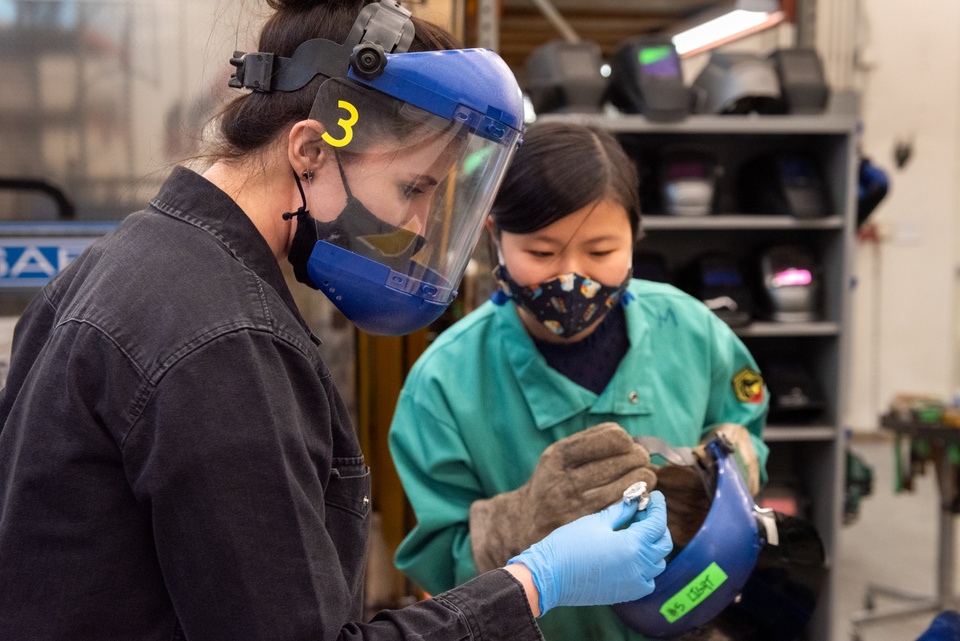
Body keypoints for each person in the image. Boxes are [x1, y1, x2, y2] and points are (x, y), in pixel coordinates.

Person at [0, 2, 673, 639]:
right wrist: (534, 581)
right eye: (414, 188)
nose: (415, 228)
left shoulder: (116, 264)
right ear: (312, 150)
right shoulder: (225, 340)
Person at [389, 120, 771, 641]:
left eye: (601, 252)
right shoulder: (443, 383)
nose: (572, 278)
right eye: (542, 254)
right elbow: (437, 563)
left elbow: (744, 422)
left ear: (634, 238)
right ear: (494, 236)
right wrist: (523, 522)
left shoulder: (692, 331)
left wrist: (723, 475)